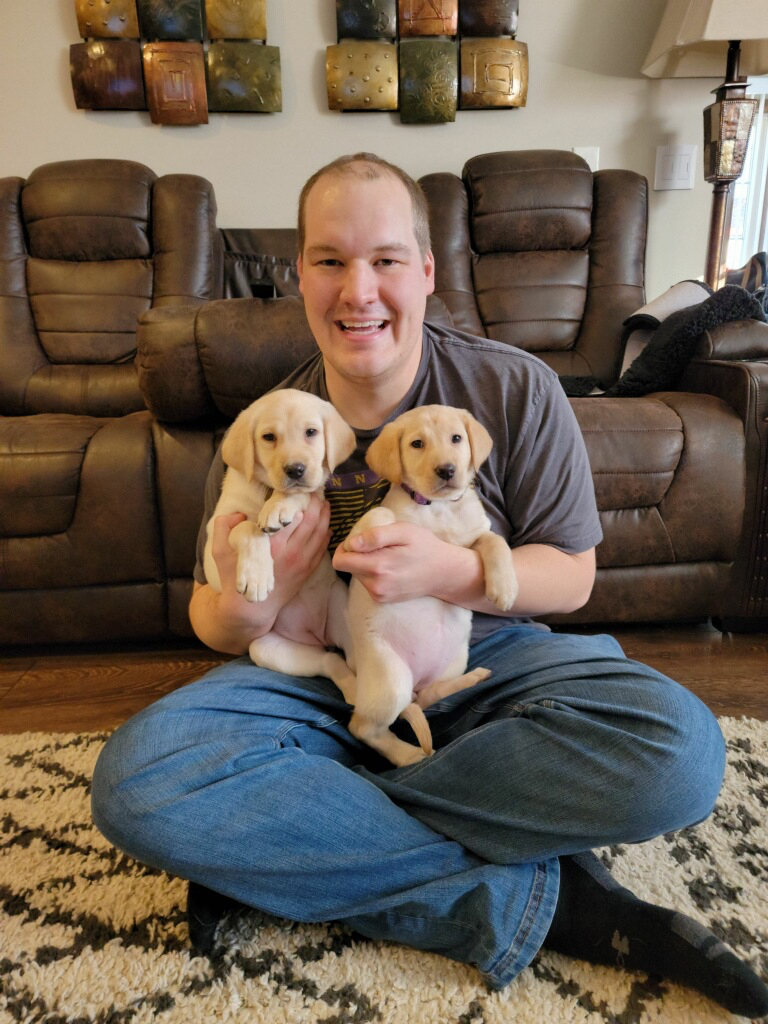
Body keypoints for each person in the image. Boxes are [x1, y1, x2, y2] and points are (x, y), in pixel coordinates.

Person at [91, 153, 768, 1018]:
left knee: (682, 753)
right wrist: (256, 598)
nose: (357, 290)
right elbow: (214, 618)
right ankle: (551, 900)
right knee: (139, 782)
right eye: (330, 261)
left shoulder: (511, 388)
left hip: (492, 659)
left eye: (384, 260)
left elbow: (572, 577)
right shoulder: (275, 427)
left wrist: (453, 571)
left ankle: (293, 833)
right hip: (322, 667)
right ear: (297, 275)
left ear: (426, 270)